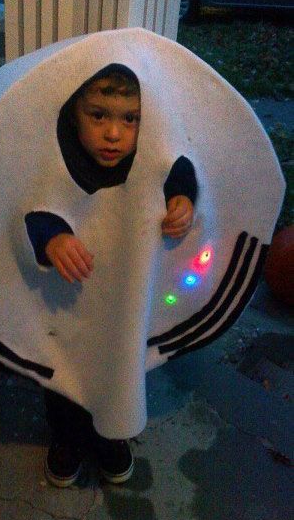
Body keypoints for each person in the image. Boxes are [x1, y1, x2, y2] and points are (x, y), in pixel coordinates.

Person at [25, 64, 198, 487]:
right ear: (74, 113)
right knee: (64, 367)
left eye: (130, 118)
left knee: (121, 363)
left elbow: (181, 171)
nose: (114, 134)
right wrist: (52, 238)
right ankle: (66, 438)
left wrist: (183, 200)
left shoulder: (153, 156)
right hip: (68, 298)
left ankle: (111, 434)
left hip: (126, 295)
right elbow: (33, 205)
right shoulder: (57, 157)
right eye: (98, 115)